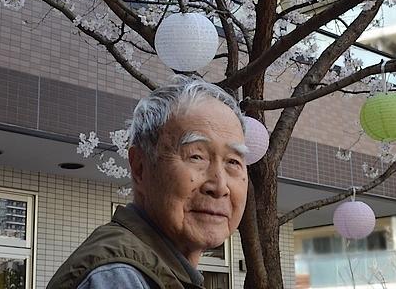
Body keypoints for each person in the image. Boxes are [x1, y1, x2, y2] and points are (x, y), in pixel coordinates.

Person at [47, 76, 249, 289]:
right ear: (140, 168)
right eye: (196, 156)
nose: (219, 186)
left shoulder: (165, 272)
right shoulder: (117, 276)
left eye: (233, 162)